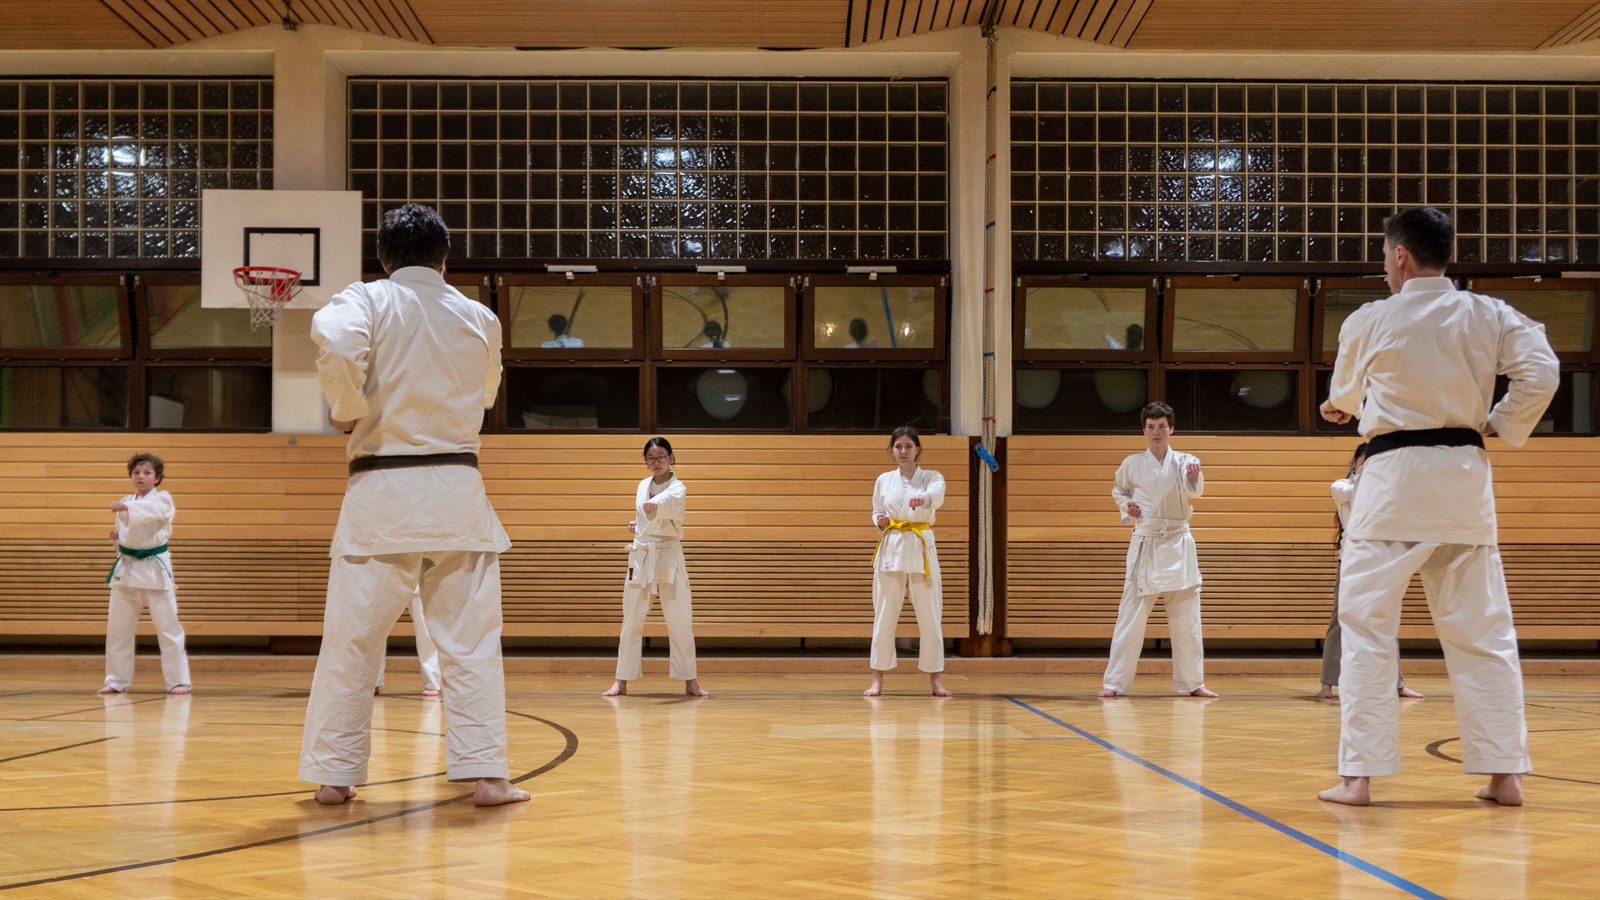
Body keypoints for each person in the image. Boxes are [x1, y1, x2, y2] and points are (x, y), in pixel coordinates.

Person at [1317, 206, 1558, 808]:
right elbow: (1543, 370)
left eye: (1383, 255)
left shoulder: (1371, 317)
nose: (1383, 265)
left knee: (1369, 630)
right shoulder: (1488, 313)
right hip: (1462, 482)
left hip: (1393, 483)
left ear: (1400, 254)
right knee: (1483, 633)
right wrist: (1500, 421)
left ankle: (1360, 777)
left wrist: (1340, 406)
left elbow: (1343, 394)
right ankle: (1505, 775)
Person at [299, 203, 527, 808]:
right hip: (456, 494)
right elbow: (486, 393)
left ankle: (334, 775)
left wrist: (345, 406)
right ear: (444, 259)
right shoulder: (479, 317)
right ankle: (488, 776)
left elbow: (338, 341)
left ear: (383, 259)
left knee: (353, 643)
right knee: (471, 643)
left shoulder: (367, 300)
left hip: (381, 498)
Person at [1099, 401, 1216, 699]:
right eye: (1151, 427)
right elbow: (1119, 491)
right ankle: (1114, 682)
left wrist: (1192, 476)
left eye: (1162, 426)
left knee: (1187, 616)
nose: (1156, 432)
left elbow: (1195, 492)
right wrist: (1129, 507)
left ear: (1171, 429)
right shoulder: (1132, 464)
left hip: (1178, 542)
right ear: (1144, 430)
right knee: (1131, 615)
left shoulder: (1186, 460)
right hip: (1147, 541)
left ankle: (1193, 682)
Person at [1316, 442, 1423, 701]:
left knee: (1385, 618)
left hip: (1382, 560)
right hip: (1351, 561)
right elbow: (1358, 493)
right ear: (1355, 464)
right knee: (1340, 621)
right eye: (1365, 463)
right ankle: (1327, 685)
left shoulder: (1387, 490)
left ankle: (1396, 684)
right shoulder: (1340, 486)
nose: (1370, 468)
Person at [604, 437, 708, 698]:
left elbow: (671, 505)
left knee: (680, 619)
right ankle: (622, 680)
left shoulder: (678, 488)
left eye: (662, 456)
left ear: (671, 458)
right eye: (652, 458)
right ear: (646, 462)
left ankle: (690, 681)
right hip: (641, 556)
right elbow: (648, 518)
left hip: (669, 556)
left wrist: (656, 505)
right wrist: (638, 526)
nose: (657, 462)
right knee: (631, 619)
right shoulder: (642, 485)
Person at [865, 426, 951, 698]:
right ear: (892, 450)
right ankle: (877, 679)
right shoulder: (883, 480)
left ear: (917, 450)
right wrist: (878, 521)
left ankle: (935, 680)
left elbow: (936, 494)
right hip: (891, 548)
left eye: (908, 446)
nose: (903, 451)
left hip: (920, 547)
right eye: (898, 446)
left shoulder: (931, 477)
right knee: (884, 616)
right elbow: (877, 509)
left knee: (930, 617)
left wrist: (923, 498)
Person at [99, 452, 191, 695]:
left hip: (154, 571)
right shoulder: (126, 500)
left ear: (157, 478)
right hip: (127, 570)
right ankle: (116, 680)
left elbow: (149, 511)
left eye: (147, 473)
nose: (141, 476)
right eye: (137, 473)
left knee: (168, 628)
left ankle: (178, 680)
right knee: (118, 630)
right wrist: (116, 541)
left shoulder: (163, 500)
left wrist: (126, 507)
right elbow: (126, 538)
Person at [375, 591, 442, 698]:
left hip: (417, 582)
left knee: (425, 630)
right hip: (389, 582)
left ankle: (432, 682)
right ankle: (374, 681)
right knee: (378, 629)